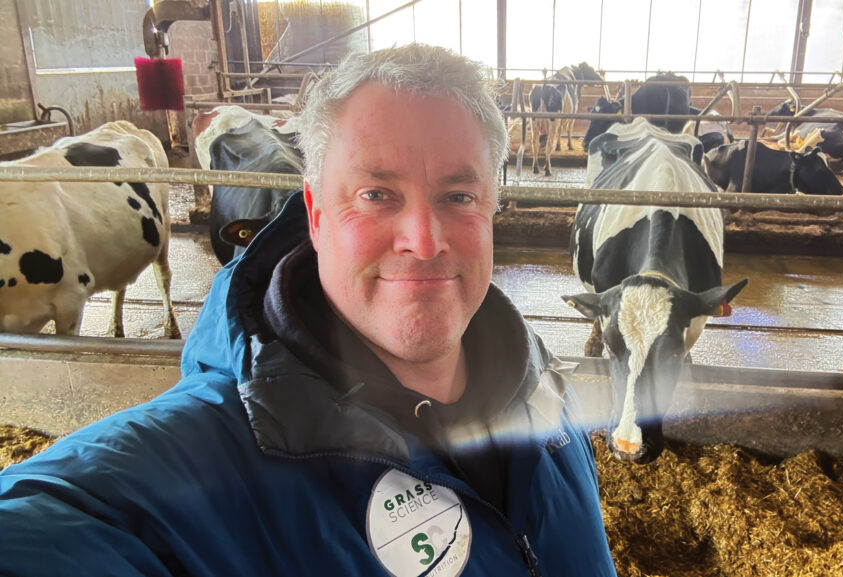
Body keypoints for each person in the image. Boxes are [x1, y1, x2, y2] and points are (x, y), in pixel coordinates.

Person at [0, 44, 616, 576]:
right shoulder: (217, 452)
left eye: (459, 195)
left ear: (492, 210)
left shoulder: (542, 384)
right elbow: (52, 520)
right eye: (377, 195)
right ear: (315, 216)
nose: (424, 241)